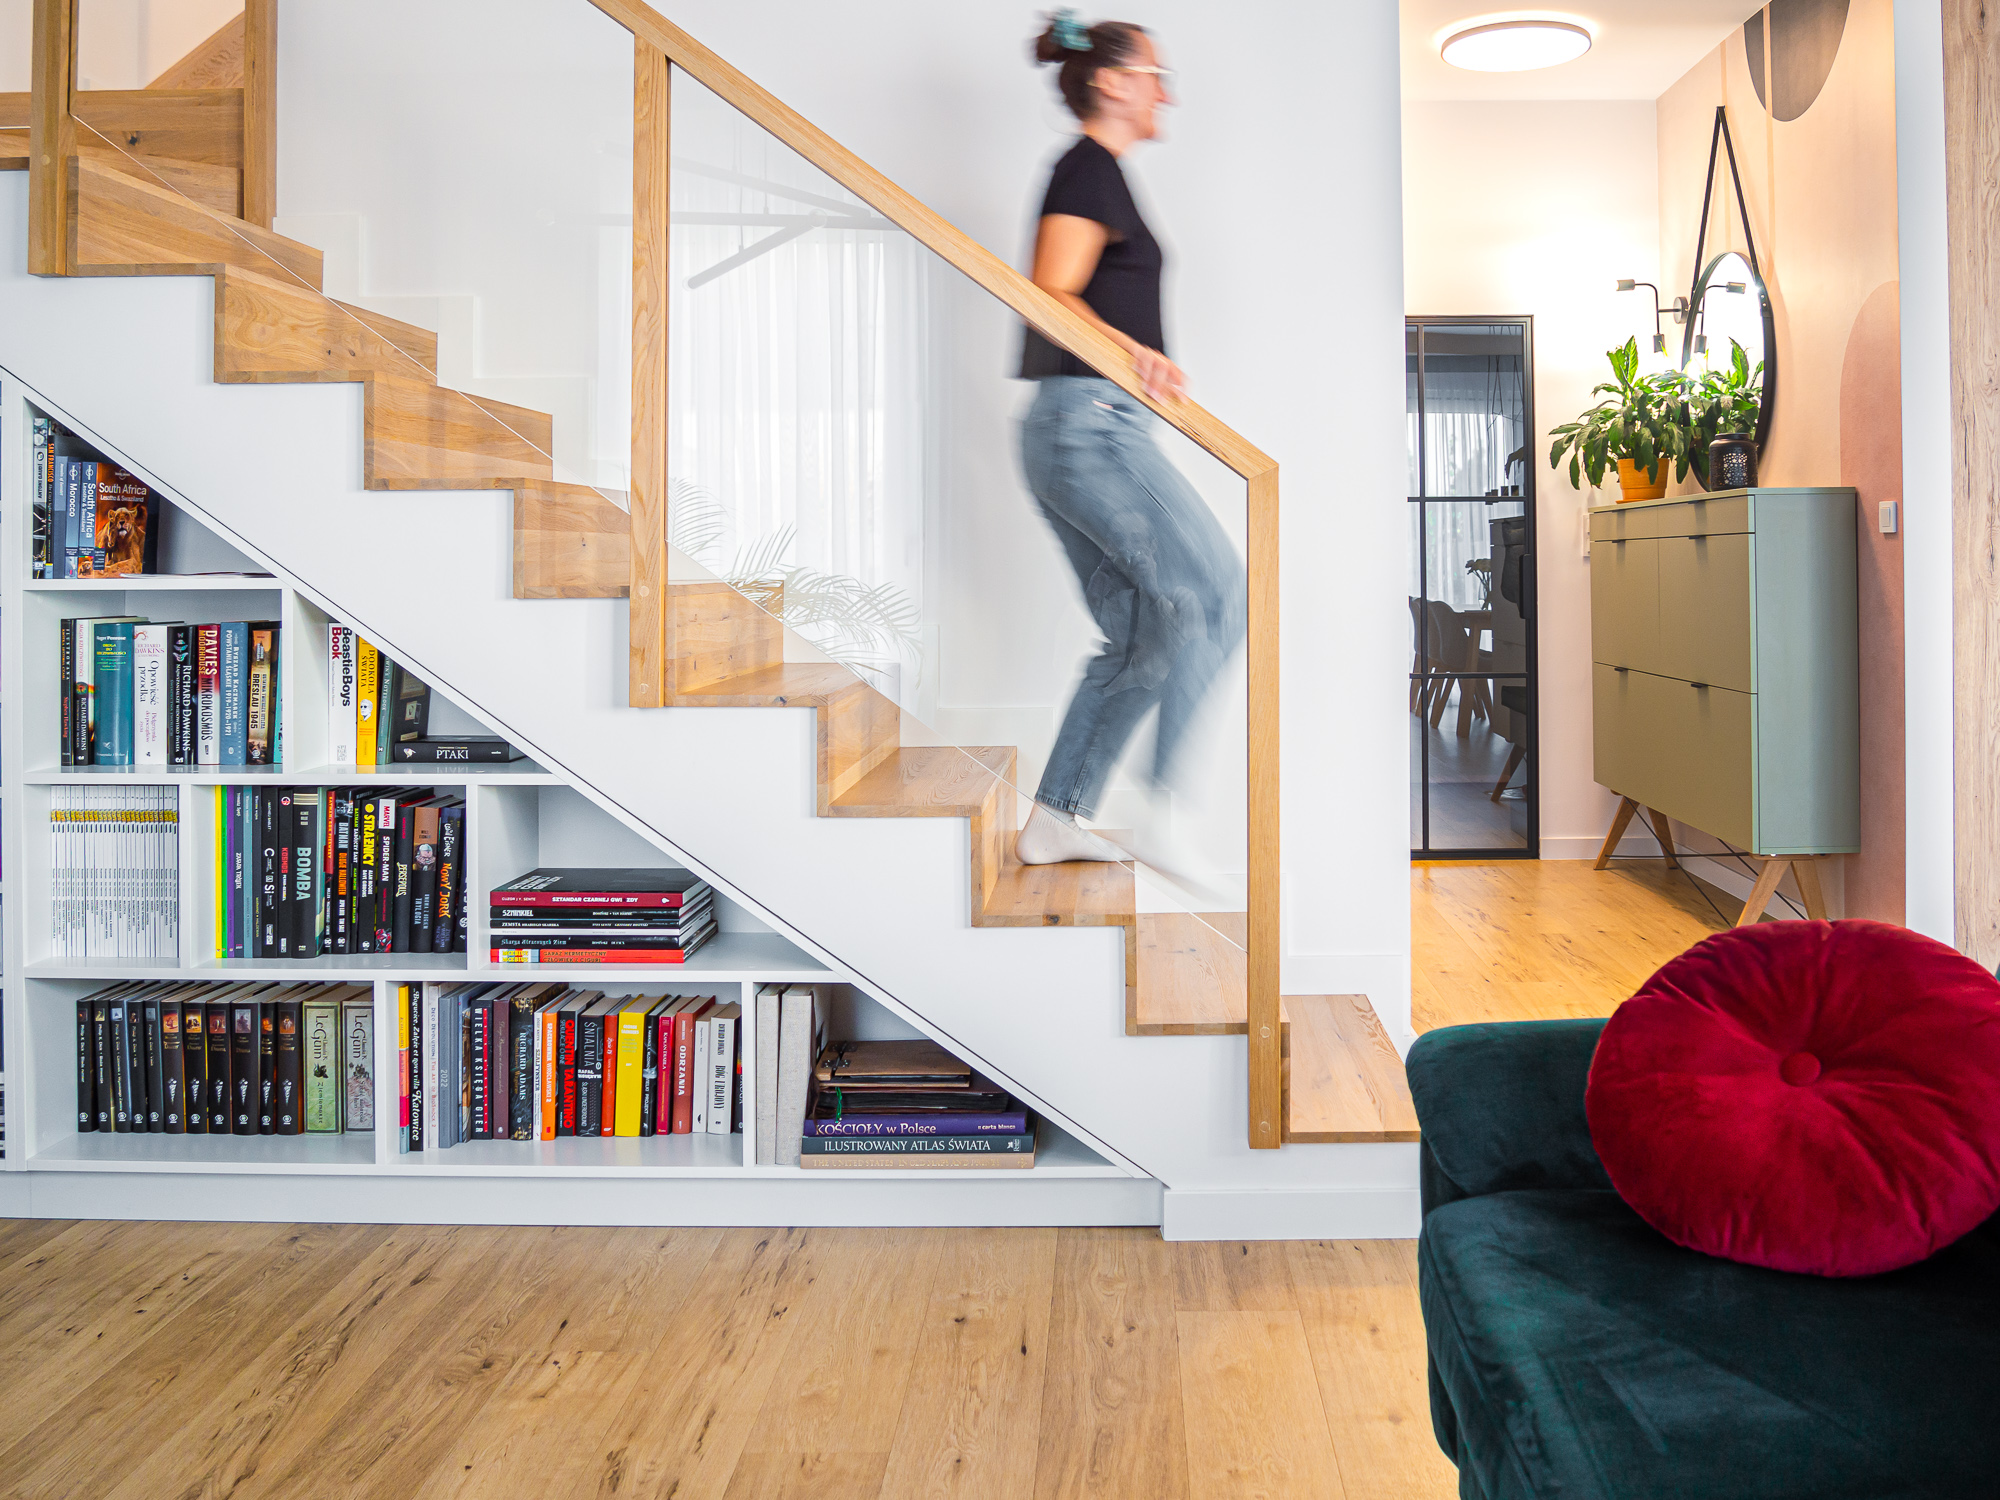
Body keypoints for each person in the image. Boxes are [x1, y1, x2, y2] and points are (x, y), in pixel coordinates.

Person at [1013, 11, 1246, 870]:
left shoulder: (1098, 174)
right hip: (1089, 426)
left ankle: (1054, 818)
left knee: (1147, 634)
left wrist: (1135, 360)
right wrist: (1131, 351)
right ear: (1111, 82)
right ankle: (1166, 810)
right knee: (1215, 593)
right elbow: (1049, 290)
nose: (1166, 96)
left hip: (1085, 426)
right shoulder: (1086, 169)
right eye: (1156, 76)